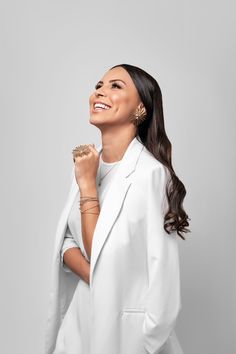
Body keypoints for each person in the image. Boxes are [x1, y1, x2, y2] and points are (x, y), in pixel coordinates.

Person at [44, 63, 190, 354]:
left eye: (116, 86)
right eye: (99, 84)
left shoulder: (151, 175)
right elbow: (69, 241)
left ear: (140, 109)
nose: (100, 91)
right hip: (80, 327)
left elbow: (164, 276)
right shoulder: (88, 166)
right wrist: (97, 275)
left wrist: (145, 342)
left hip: (127, 338)